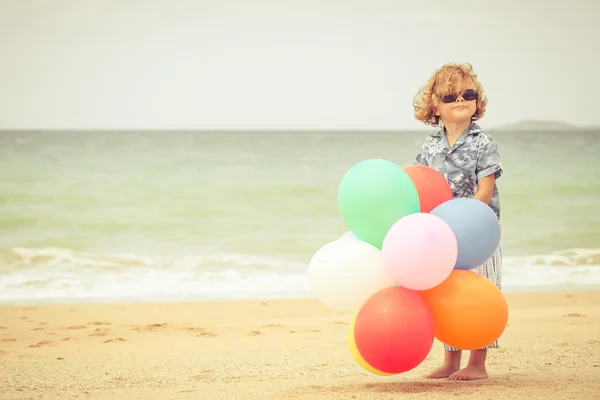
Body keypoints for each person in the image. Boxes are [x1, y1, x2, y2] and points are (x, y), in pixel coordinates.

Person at [412, 63, 503, 381]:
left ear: (477, 101)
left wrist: (463, 219)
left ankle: (477, 363)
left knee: (480, 294)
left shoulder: (483, 143)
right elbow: (419, 184)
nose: (461, 100)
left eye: (468, 94)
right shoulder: (430, 146)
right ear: (434, 105)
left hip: (479, 232)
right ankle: (451, 360)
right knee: (449, 295)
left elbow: (485, 190)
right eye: (451, 96)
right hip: (443, 235)